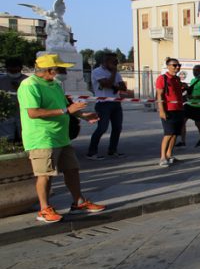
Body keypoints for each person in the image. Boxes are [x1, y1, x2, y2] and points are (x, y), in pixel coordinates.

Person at [18, 54, 105, 223]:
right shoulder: (29, 85)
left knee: (72, 169)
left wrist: (83, 115)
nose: (62, 72)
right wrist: (67, 111)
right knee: (45, 174)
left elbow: (65, 107)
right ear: (49, 70)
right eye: (59, 69)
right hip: (41, 137)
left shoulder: (56, 84)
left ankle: (78, 202)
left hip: (61, 136)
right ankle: (44, 209)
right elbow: (33, 112)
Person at [87, 52, 130, 159]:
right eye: (113, 61)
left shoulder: (117, 73)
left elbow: (123, 87)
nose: (115, 64)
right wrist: (114, 78)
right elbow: (106, 84)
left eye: (116, 62)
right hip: (103, 104)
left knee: (117, 127)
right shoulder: (97, 71)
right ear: (105, 62)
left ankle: (112, 150)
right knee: (102, 128)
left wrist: (114, 83)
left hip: (116, 102)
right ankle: (92, 152)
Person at [155, 57, 186, 166]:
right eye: (174, 65)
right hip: (169, 110)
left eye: (179, 65)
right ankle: (163, 157)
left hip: (179, 109)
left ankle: (169, 155)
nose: (177, 67)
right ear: (168, 66)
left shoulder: (177, 79)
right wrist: (161, 110)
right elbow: (160, 95)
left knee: (175, 134)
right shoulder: (162, 78)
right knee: (168, 133)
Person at [180, 64, 200, 148]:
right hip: (189, 104)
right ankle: (183, 141)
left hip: (198, 106)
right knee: (182, 122)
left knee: (198, 123)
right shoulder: (193, 80)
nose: (195, 72)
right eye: (194, 70)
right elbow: (192, 91)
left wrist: (195, 97)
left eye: (197, 70)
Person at [1, 58, 28, 142]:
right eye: (11, 70)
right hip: (7, 116)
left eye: (15, 70)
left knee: (24, 137)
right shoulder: (2, 81)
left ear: (20, 68)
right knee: (7, 139)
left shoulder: (27, 81)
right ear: (7, 69)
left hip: (24, 114)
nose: (13, 72)